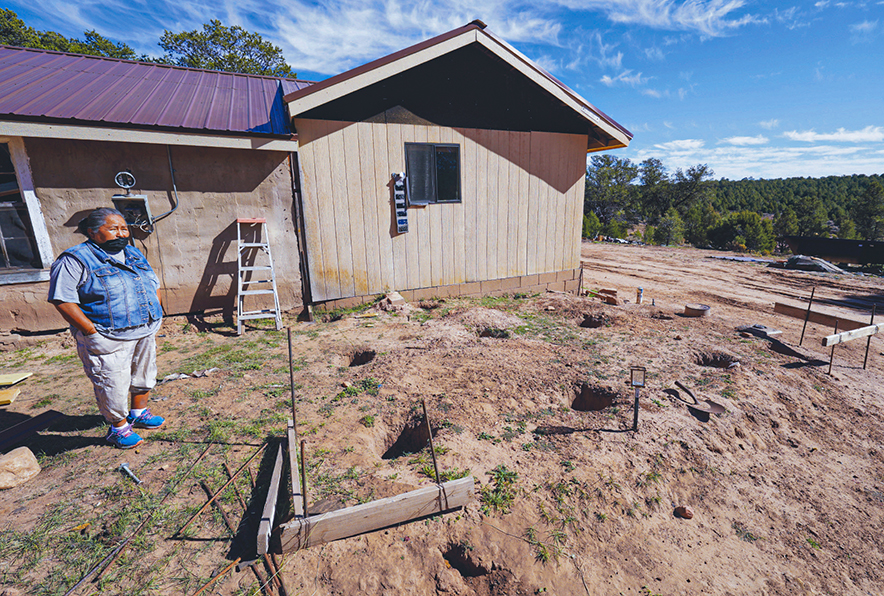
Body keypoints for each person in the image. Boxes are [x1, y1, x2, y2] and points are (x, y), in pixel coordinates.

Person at [48, 208, 165, 449]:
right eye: (113, 229)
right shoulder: (74, 259)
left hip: (144, 329)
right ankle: (118, 428)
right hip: (107, 334)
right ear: (92, 232)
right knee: (112, 381)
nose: (121, 234)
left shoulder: (132, 253)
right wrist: (91, 332)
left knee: (144, 374)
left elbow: (153, 283)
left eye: (124, 228)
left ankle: (138, 413)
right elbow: (62, 300)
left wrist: (157, 313)